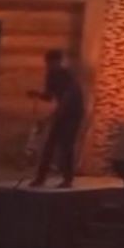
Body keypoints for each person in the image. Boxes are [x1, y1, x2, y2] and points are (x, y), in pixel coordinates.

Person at [28, 50, 85, 188]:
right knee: (49, 145)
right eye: (48, 63)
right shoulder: (50, 75)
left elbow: (70, 95)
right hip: (61, 112)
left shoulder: (66, 74)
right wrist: (37, 94)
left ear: (59, 61)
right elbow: (49, 96)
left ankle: (68, 179)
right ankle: (41, 178)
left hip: (73, 113)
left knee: (66, 145)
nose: (50, 65)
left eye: (53, 62)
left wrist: (59, 112)